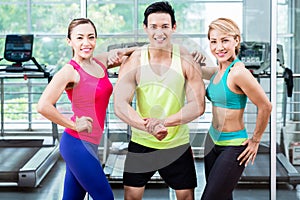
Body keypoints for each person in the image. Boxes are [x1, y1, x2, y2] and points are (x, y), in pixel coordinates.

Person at [113, 1, 206, 200]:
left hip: (177, 143)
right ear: (145, 28)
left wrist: (163, 123)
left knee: (186, 197)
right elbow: (120, 104)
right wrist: (148, 127)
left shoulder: (185, 59)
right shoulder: (134, 60)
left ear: (174, 27)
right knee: (131, 196)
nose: (159, 32)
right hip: (141, 142)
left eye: (164, 26)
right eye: (153, 26)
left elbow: (197, 105)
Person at [37, 18, 136, 200]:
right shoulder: (69, 71)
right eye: (80, 38)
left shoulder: (100, 62)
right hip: (76, 143)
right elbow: (43, 105)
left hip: (91, 142)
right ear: (70, 41)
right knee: (105, 197)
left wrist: (124, 51)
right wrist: (73, 124)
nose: (86, 43)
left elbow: (137, 51)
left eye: (91, 37)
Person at [193, 18, 272, 200]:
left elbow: (265, 106)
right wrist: (193, 58)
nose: (218, 47)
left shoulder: (238, 72)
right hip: (212, 142)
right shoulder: (217, 71)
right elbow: (191, 67)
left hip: (233, 147)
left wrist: (255, 140)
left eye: (225, 40)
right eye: (214, 41)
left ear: (236, 41)